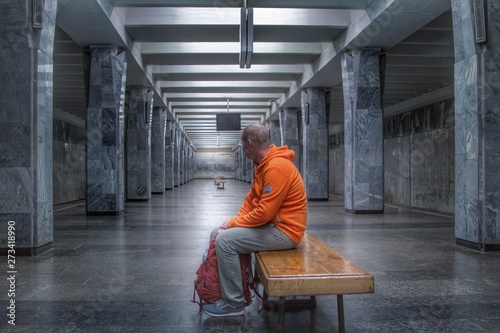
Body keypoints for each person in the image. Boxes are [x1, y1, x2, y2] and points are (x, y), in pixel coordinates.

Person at [203, 123, 308, 317]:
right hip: (272, 226)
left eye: (243, 146)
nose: (243, 150)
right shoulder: (263, 165)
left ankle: (234, 302)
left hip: (285, 232)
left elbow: (264, 213)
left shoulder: (277, 167)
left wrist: (233, 224)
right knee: (216, 232)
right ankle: (223, 290)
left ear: (249, 144)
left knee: (225, 241)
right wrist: (232, 221)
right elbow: (251, 200)